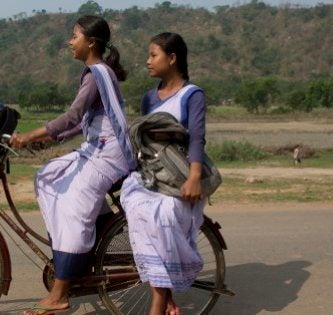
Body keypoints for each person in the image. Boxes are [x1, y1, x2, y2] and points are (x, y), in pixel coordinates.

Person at [10, 15, 135, 315]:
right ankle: (95, 235)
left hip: (108, 155)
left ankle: (61, 294)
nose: (70, 41)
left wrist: (30, 135)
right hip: (98, 149)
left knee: (74, 210)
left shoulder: (96, 74)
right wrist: (47, 141)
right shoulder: (99, 73)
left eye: (75, 35)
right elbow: (83, 123)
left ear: (90, 42)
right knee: (48, 176)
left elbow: (72, 116)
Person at [119, 32, 207, 315]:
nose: (148, 61)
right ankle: (164, 295)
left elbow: (196, 138)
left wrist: (194, 177)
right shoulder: (148, 99)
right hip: (151, 176)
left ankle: (159, 300)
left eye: (153, 55)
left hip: (180, 179)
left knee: (167, 214)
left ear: (172, 58)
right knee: (137, 208)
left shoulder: (192, 96)